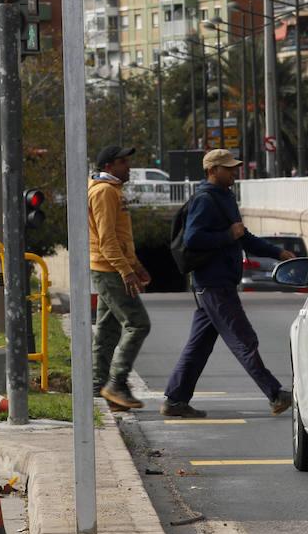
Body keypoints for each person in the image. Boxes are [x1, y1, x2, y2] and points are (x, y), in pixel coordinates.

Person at [162, 149, 295, 419]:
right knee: (243, 339)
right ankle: (275, 393)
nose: (235, 172)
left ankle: (175, 401)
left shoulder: (224, 198)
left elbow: (243, 238)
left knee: (198, 347)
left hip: (216, 285)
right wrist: (227, 235)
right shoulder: (205, 200)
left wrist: (278, 253)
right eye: (229, 168)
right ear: (212, 171)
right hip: (213, 284)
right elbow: (194, 239)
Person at [89, 144, 152, 411]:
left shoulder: (113, 190)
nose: (129, 167)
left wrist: (136, 265)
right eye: (123, 162)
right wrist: (126, 271)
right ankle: (117, 382)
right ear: (108, 167)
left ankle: (99, 386)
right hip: (109, 269)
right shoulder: (104, 192)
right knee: (138, 324)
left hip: (112, 267)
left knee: (107, 329)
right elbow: (108, 241)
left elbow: (121, 237)